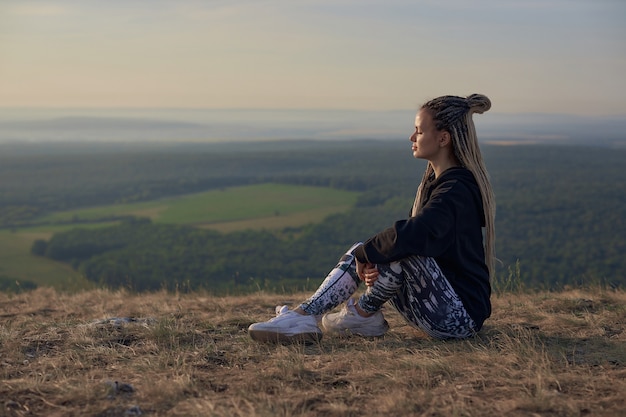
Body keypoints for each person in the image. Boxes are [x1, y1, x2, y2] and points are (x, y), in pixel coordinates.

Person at [248, 93, 496, 343]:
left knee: (394, 247)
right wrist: (373, 256)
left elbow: (418, 232)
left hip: (459, 318)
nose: (412, 137)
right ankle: (350, 314)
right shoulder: (439, 183)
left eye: (419, 131)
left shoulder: (456, 189)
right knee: (385, 248)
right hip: (440, 310)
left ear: (443, 138)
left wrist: (366, 254)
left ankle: (318, 316)